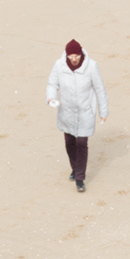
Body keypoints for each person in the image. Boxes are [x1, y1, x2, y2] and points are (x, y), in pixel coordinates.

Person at [46, 39, 107, 191]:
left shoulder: (91, 66)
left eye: (76, 56)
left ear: (81, 54)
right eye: (70, 56)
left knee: (81, 143)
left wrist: (103, 111)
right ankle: (74, 168)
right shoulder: (59, 65)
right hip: (66, 111)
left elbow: (100, 89)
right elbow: (52, 84)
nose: (73, 59)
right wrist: (51, 97)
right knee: (69, 142)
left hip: (85, 112)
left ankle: (80, 177)